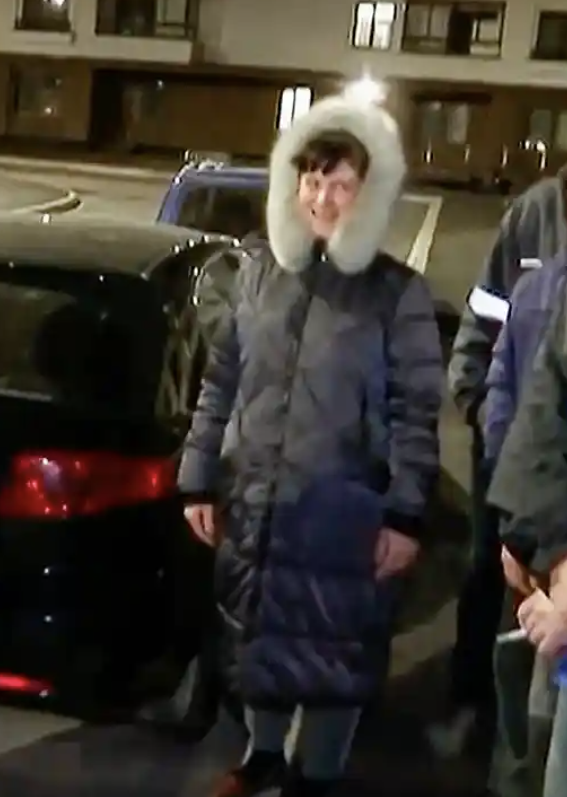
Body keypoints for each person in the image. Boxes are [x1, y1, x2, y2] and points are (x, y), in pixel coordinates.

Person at [178, 95, 443, 797]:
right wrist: (198, 477)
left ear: (369, 192)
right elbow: (221, 381)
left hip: (344, 519)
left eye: (341, 184)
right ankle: (263, 756)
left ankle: (315, 776)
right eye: (312, 180)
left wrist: (405, 515)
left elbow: (416, 412)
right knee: (260, 637)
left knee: (334, 656)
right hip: (260, 505)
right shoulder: (259, 274)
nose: (322, 198)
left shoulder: (396, 294)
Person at [443, 167, 567, 747]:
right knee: (489, 579)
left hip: (551, 464)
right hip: (506, 447)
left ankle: (521, 741)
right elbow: (486, 321)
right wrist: (479, 407)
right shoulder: (533, 214)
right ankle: (474, 708)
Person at [478, 255, 567, 797]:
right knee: (533, 730)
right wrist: (521, 522)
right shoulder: (538, 285)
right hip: (544, 560)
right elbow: (529, 411)